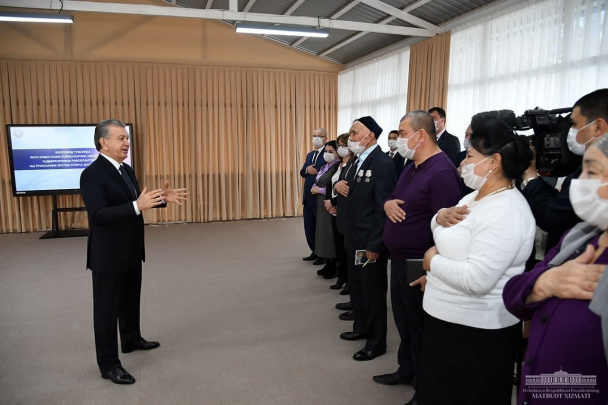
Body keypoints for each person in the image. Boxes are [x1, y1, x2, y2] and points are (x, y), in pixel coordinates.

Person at [418, 118, 536, 405]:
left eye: (470, 156)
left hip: (476, 333)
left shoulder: (506, 210)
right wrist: (438, 216)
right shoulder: (474, 197)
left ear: (494, 161)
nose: (463, 163)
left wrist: (432, 262)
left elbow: (477, 280)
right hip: (445, 322)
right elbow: (448, 229)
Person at [80, 119, 188, 384]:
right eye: (121, 138)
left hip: (130, 249)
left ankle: (130, 339)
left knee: (130, 299)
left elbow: (135, 202)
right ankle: (109, 364)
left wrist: (161, 198)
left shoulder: (126, 170)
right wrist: (136, 205)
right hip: (107, 255)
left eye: (127, 138)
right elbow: (99, 215)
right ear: (103, 142)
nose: (127, 143)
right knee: (106, 311)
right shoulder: (92, 174)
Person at [503, 134, 608, 405]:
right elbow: (513, 296)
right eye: (582, 172)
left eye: (592, 173)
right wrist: (545, 283)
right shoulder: (579, 237)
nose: (580, 183)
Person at [374, 111, 461, 404]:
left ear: (421, 135)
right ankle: (407, 368)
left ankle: (425, 389)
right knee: (404, 320)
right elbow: (393, 197)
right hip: (400, 259)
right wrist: (387, 204)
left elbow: (448, 229)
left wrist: (431, 271)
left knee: (421, 327)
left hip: (419, 263)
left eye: (402, 132)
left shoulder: (441, 172)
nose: (398, 138)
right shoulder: (412, 166)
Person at [334, 116, 397, 361]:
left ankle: (376, 342)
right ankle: (361, 327)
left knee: (372, 291)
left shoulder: (382, 163)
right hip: (353, 237)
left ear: (370, 135)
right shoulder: (355, 160)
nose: (350, 138)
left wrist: (375, 244)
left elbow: (382, 208)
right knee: (358, 287)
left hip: (368, 242)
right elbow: (347, 188)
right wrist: (337, 186)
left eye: (354, 133)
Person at [520, 89, 608, 251]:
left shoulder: (598, 170)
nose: (570, 132)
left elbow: (552, 216)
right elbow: (563, 203)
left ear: (598, 127)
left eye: (574, 125)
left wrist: (530, 177)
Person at [311, 140, 341, 278]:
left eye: (331, 151)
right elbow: (318, 180)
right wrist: (315, 187)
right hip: (320, 203)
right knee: (323, 233)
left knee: (329, 234)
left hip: (330, 204)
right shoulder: (325, 166)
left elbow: (332, 186)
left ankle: (333, 263)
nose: (327, 154)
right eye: (326, 151)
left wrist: (320, 190)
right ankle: (327, 261)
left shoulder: (337, 166)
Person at [325, 133, 352, 292]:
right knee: (338, 247)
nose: (341, 148)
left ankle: (348, 280)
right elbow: (330, 185)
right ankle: (341, 276)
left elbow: (347, 190)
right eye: (339, 145)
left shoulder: (353, 165)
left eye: (344, 145)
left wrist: (333, 202)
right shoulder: (338, 165)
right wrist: (329, 203)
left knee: (347, 249)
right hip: (334, 210)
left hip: (345, 211)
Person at [300, 128, 327, 263]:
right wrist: (307, 169)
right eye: (314, 136)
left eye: (319, 136)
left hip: (319, 196)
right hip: (308, 196)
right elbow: (302, 172)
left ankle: (323, 254)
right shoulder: (310, 154)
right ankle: (314, 250)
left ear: (325, 138)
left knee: (320, 226)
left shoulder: (327, 154)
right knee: (309, 225)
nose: (316, 138)